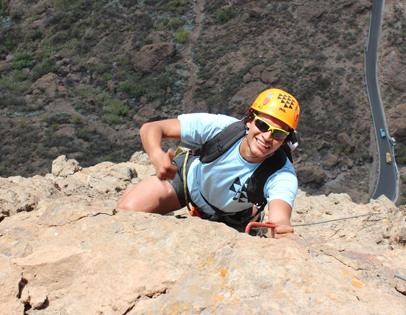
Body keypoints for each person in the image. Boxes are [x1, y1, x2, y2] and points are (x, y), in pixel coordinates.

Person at [117, 88, 300, 239]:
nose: (267, 137)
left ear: (285, 140)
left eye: (278, 134)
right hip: (189, 182)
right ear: (250, 120)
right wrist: (157, 156)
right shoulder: (222, 129)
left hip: (231, 215)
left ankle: (252, 212)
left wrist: (281, 230)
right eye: (262, 125)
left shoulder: (282, 174)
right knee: (128, 211)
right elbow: (151, 128)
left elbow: (280, 218)